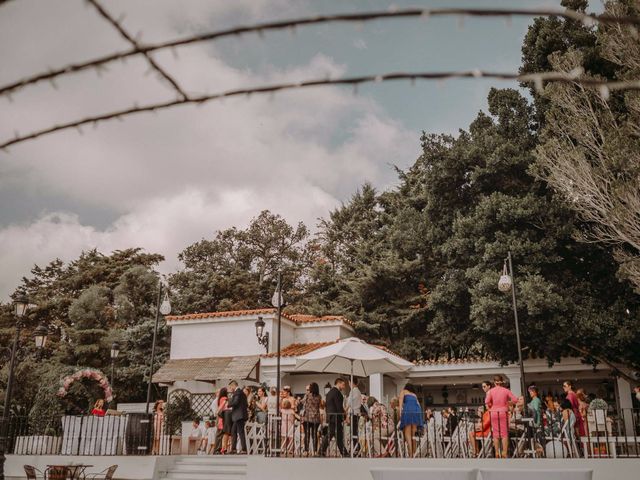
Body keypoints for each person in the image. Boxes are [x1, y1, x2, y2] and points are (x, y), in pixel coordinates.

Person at [485, 374, 517, 458]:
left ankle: (496, 452)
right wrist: (507, 403)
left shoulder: (491, 391)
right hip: (503, 412)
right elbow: (515, 400)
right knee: (504, 434)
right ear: (501, 381)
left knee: (496, 434)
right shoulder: (506, 390)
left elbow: (487, 402)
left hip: (494, 412)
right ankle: (504, 452)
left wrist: (491, 407)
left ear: (494, 382)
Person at [320, 377, 347, 457]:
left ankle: (344, 453)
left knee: (338, 437)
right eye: (343, 384)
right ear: (338, 383)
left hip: (331, 417)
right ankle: (321, 451)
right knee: (330, 435)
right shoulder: (337, 393)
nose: (344, 387)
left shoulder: (329, 393)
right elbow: (339, 407)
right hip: (336, 417)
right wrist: (345, 417)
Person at [399, 383, 423, 458]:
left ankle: (410, 453)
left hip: (408, 411)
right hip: (416, 412)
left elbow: (400, 403)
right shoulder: (414, 395)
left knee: (407, 433)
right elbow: (419, 405)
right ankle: (415, 452)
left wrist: (400, 413)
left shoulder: (403, 391)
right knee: (413, 434)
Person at [228, 380, 248, 454]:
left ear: (234, 385)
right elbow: (246, 404)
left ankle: (244, 449)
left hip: (239, 415)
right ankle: (233, 449)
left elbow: (235, 402)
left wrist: (228, 403)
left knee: (240, 432)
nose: (230, 388)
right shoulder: (241, 393)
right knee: (234, 431)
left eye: (230, 387)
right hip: (239, 415)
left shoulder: (238, 392)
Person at [302, 382, 321, 456]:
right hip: (316, 418)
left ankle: (306, 451)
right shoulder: (319, 396)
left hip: (307, 417)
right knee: (314, 435)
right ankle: (315, 451)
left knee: (307, 434)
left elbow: (303, 402)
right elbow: (319, 405)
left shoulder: (307, 395)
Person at [347, 378, 362, 455]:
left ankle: (355, 449)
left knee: (353, 433)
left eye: (349, 382)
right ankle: (356, 448)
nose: (348, 384)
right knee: (354, 432)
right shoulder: (358, 391)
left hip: (354, 413)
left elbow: (349, 402)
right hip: (357, 413)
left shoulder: (353, 391)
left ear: (351, 382)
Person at [214, 387, 230, 454]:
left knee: (219, 435)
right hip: (223, 418)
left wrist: (217, 412)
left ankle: (218, 449)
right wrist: (217, 411)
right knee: (220, 435)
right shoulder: (224, 398)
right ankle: (218, 449)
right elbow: (222, 406)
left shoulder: (220, 398)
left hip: (220, 418)